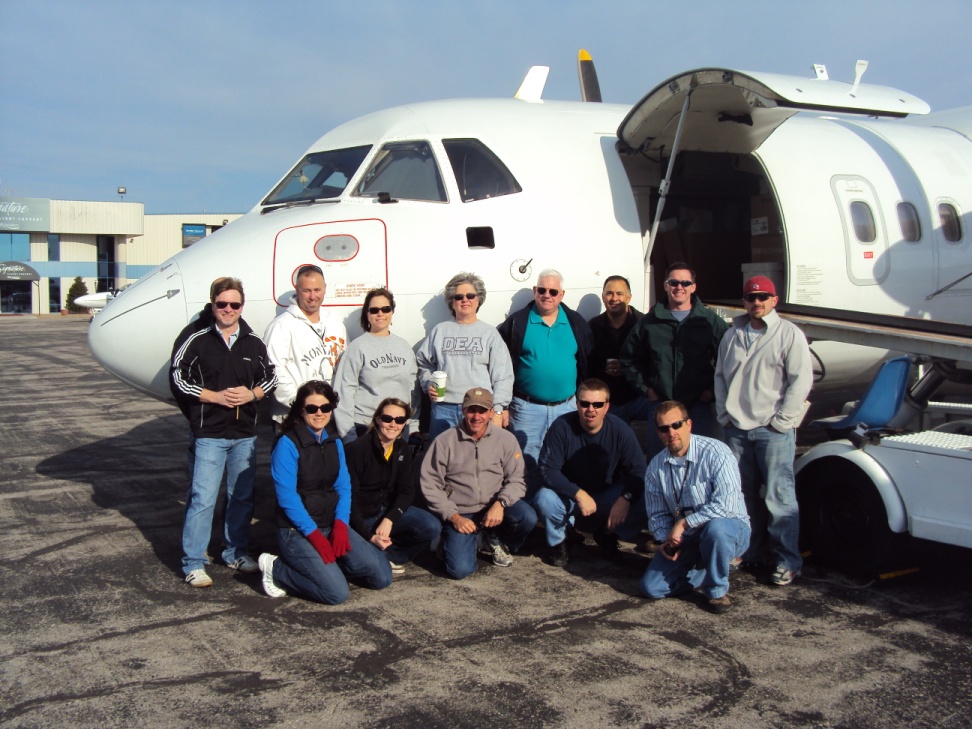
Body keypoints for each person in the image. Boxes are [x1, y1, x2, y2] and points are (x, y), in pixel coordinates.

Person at [170, 277, 277, 588]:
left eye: (234, 304)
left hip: (244, 433)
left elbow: (270, 377)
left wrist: (253, 395)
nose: (228, 309)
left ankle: (235, 551)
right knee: (202, 497)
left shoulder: (253, 342)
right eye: (222, 304)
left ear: (241, 307)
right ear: (213, 305)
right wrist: (212, 396)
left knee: (241, 496)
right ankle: (194, 562)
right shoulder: (198, 340)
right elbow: (178, 377)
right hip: (210, 434)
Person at [714, 275, 813, 587]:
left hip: (773, 430)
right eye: (751, 298)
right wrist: (724, 415)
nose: (757, 303)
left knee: (778, 496)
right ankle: (749, 551)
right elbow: (719, 377)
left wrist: (783, 421)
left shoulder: (788, 334)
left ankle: (787, 561)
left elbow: (801, 380)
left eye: (763, 297)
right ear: (743, 301)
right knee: (741, 496)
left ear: (774, 300)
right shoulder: (732, 335)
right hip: (737, 430)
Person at [258, 381, 393, 603]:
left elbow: (343, 486)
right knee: (336, 593)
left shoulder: (334, 441)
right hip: (297, 530)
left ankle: (326, 568)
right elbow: (287, 498)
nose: (319, 413)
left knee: (381, 577)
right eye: (312, 408)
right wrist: (314, 536)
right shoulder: (287, 443)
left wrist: (341, 524)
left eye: (326, 407)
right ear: (301, 410)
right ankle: (277, 570)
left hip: (330, 523)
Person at [640, 401, 751, 613]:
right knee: (651, 588)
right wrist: (666, 539)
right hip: (689, 537)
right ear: (658, 432)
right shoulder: (655, 465)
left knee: (716, 530)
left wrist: (684, 523)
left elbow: (726, 504)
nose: (671, 432)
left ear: (689, 424)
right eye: (664, 428)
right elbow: (657, 514)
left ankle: (717, 590)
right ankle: (709, 567)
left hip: (729, 529)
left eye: (677, 425)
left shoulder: (716, 452)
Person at [420, 387, 538, 580]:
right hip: (461, 510)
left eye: (482, 410)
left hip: (494, 505)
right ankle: (449, 539)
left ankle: (496, 537)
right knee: (459, 570)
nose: (477, 416)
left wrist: (501, 503)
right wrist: (453, 516)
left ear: (491, 412)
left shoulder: (506, 439)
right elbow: (430, 484)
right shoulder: (444, 441)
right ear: (463, 410)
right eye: (471, 410)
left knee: (527, 516)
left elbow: (517, 479)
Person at [497, 269, 594, 490]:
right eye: (542, 290)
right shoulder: (517, 324)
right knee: (526, 464)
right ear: (534, 291)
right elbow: (501, 366)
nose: (546, 295)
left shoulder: (575, 323)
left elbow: (587, 360)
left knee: (567, 461)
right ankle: (529, 518)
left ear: (561, 294)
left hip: (566, 408)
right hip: (527, 408)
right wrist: (502, 406)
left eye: (553, 291)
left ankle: (559, 511)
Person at [620, 262, 728, 457]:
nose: (679, 287)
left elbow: (728, 360)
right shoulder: (650, 322)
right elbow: (629, 358)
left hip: (697, 406)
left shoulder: (709, 322)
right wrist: (646, 390)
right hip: (661, 404)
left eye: (685, 283)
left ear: (693, 287)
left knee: (701, 459)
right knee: (661, 461)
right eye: (674, 282)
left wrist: (710, 391)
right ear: (665, 285)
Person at [535, 379, 647, 567]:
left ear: (607, 406)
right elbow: (546, 469)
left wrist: (625, 498)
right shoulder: (561, 426)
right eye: (585, 403)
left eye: (597, 404)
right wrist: (577, 493)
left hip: (608, 493)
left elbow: (638, 471)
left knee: (646, 497)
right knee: (543, 498)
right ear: (577, 404)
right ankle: (560, 541)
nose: (591, 409)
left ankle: (608, 534)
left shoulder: (621, 430)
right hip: (570, 494)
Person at [344, 398, 442, 574]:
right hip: (360, 516)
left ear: (404, 424)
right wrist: (369, 536)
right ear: (377, 419)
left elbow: (406, 491)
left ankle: (391, 556)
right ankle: (372, 550)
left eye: (399, 420)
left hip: (384, 511)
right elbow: (348, 500)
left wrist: (390, 519)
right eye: (387, 418)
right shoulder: (357, 449)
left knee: (431, 526)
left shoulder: (402, 448)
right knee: (376, 576)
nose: (393, 424)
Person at [416, 272, 514, 439]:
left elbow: (503, 375)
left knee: (479, 460)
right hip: (443, 409)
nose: (465, 300)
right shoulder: (440, 331)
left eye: (470, 295)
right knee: (442, 461)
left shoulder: (489, 333)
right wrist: (428, 383)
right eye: (459, 296)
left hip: (479, 410)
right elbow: (423, 363)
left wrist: (498, 409)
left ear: (478, 300)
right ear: (452, 302)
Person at [264, 264, 347, 425]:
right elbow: (274, 371)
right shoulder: (281, 326)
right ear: (297, 290)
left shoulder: (335, 324)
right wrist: (302, 404)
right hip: (293, 417)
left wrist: (330, 405)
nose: (312, 296)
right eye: (306, 290)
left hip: (327, 416)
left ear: (324, 289)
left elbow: (344, 369)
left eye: (317, 290)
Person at [332, 288, 419, 442]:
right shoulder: (357, 347)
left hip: (399, 427)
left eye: (385, 309)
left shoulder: (404, 346)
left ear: (392, 312)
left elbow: (413, 391)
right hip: (366, 427)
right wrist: (348, 436)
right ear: (367, 314)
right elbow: (344, 391)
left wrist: (412, 426)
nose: (380, 313)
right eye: (374, 310)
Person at [587, 275, 646, 424]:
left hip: (640, 398)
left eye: (619, 294)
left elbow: (655, 361)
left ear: (629, 297)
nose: (614, 298)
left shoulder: (644, 325)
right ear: (603, 297)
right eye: (609, 293)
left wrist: (627, 369)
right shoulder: (592, 327)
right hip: (608, 402)